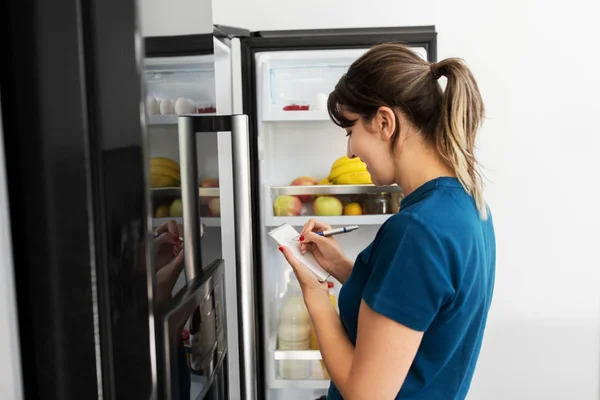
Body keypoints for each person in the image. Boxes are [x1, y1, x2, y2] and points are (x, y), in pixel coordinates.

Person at [279, 43, 496, 400]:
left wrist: (315, 295)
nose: (349, 151)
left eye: (350, 130)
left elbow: (366, 395)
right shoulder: (466, 200)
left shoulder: (417, 230)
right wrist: (340, 266)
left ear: (384, 122)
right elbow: (420, 306)